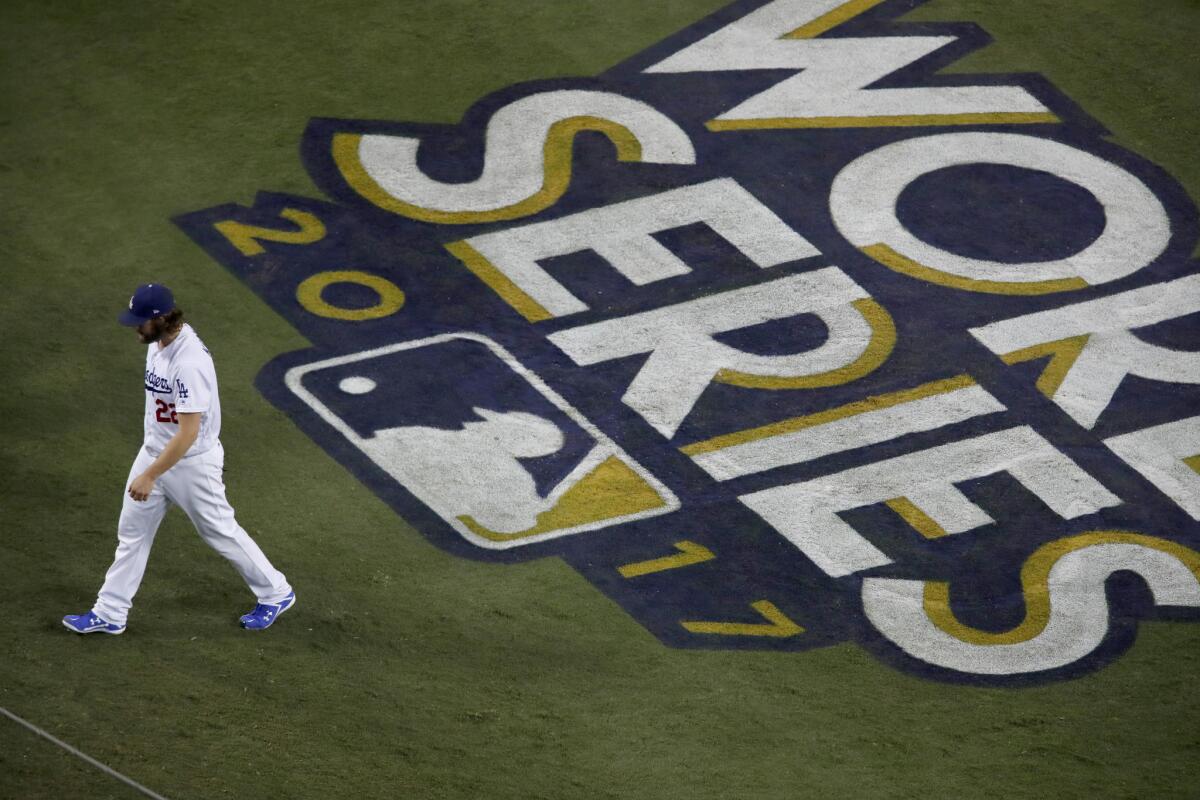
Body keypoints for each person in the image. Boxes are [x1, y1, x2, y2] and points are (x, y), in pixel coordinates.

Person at [63, 284, 294, 634]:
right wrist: (151, 467)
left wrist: (150, 475)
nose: (134, 328)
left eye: (140, 322)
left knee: (218, 530)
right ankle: (110, 612)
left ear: (160, 319)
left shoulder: (190, 362)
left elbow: (188, 433)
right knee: (132, 534)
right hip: (155, 453)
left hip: (191, 464)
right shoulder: (159, 343)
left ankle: (276, 591)